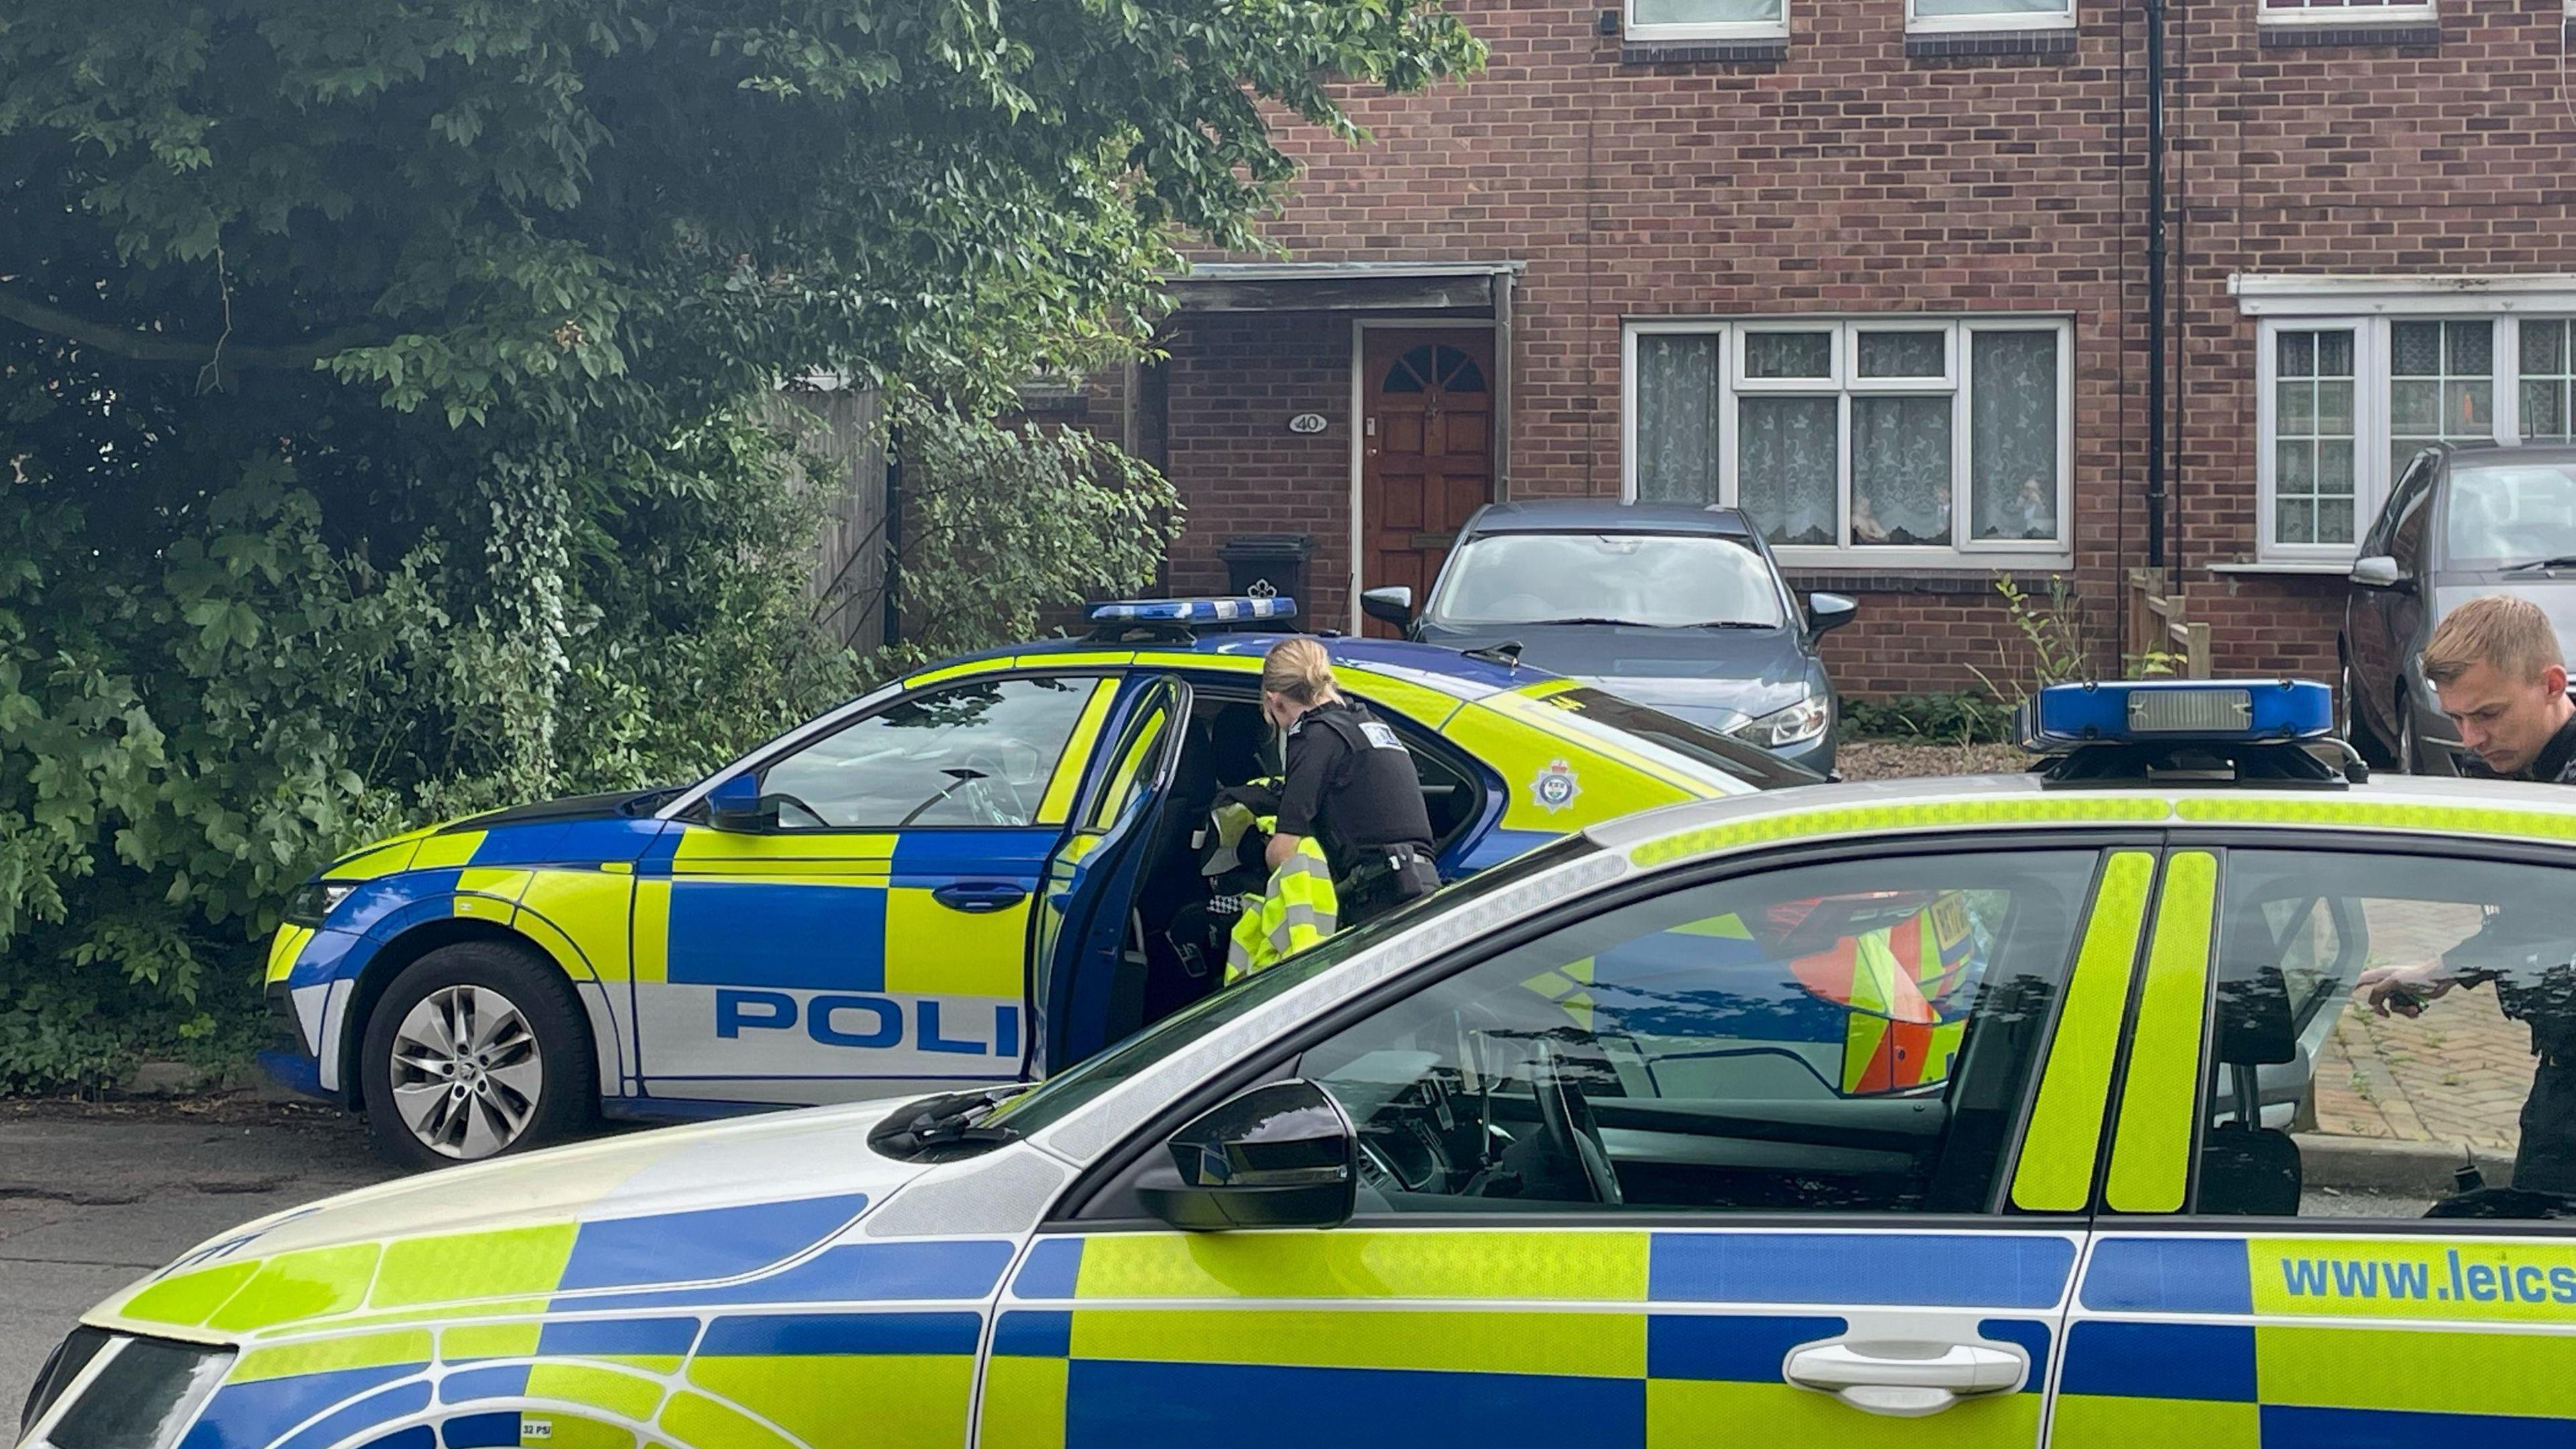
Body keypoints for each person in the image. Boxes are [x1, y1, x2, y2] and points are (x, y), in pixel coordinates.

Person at [2356, 595, 2576, 1195]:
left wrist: (2449, 967)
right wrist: (2444, 969)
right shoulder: (2534, 778)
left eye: (2489, 714)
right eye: (2456, 719)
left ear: (2552, 683)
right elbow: (2546, 910)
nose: (2472, 737)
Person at [1260, 637, 1441, 926]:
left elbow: (1284, 852)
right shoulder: (1369, 722)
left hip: (1377, 903)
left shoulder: (1314, 737)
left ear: (1273, 699)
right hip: (1422, 888)